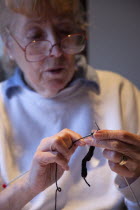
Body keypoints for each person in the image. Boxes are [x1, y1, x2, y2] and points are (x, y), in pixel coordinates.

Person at [0, 0, 140, 209]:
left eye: (65, 30)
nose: (56, 52)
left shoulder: (120, 91)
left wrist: (137, 176)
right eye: (36, 36)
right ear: (9, 45)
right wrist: (29, 186)